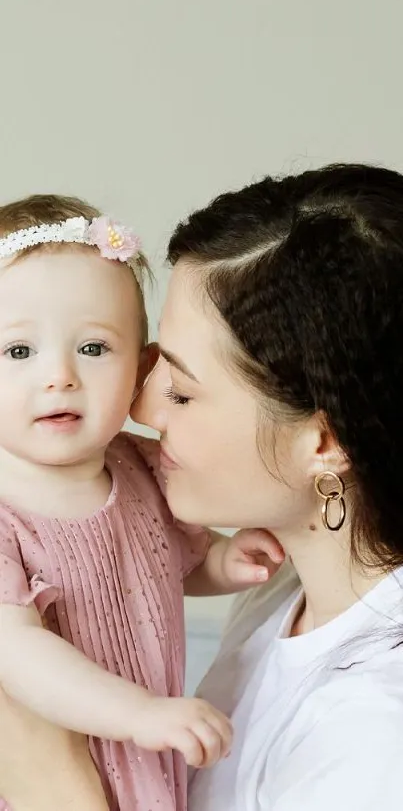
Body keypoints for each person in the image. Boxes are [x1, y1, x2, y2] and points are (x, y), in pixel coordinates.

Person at [134, 162, 403, 810]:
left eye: (181, 390)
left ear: (323, 443)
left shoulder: (375, 735)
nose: (141, 411)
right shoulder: (283, 584)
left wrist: (37, 757)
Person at [0, 194, 281, 811]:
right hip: (52, 753)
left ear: (143, 369)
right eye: (19, 352)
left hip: (146, 748)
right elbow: (15, 653)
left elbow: (165, 568)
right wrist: (136, 713)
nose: (59, 376)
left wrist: (225, 562)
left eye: (94, 349)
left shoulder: (141, 468)